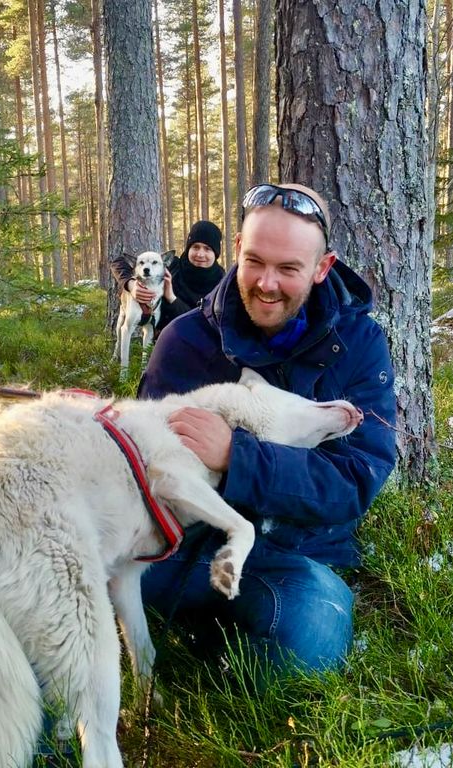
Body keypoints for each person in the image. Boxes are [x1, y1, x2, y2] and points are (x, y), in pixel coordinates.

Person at [138, 182, 398, 675]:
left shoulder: (359, 344)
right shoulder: (186, 341)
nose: (266, 283)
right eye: (255, 261)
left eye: (288, 268)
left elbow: (355, 480)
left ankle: (213, 659)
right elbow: (141, 467)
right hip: (180, 543)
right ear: (236, 249)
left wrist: (238, 457)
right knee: (51, 573)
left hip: (292, 554)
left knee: (311, 636)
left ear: (322, 268)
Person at [109, 220, 225, 334]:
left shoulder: (221, 283)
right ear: (188, 248)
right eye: (195, 247)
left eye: (207, 249)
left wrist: (171, 297)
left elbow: (201, 323)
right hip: (158, 341)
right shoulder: (171, 266)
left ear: (216, 253)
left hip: (196, 345)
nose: (200, 254)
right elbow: (118, 262)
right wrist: (131, 284)